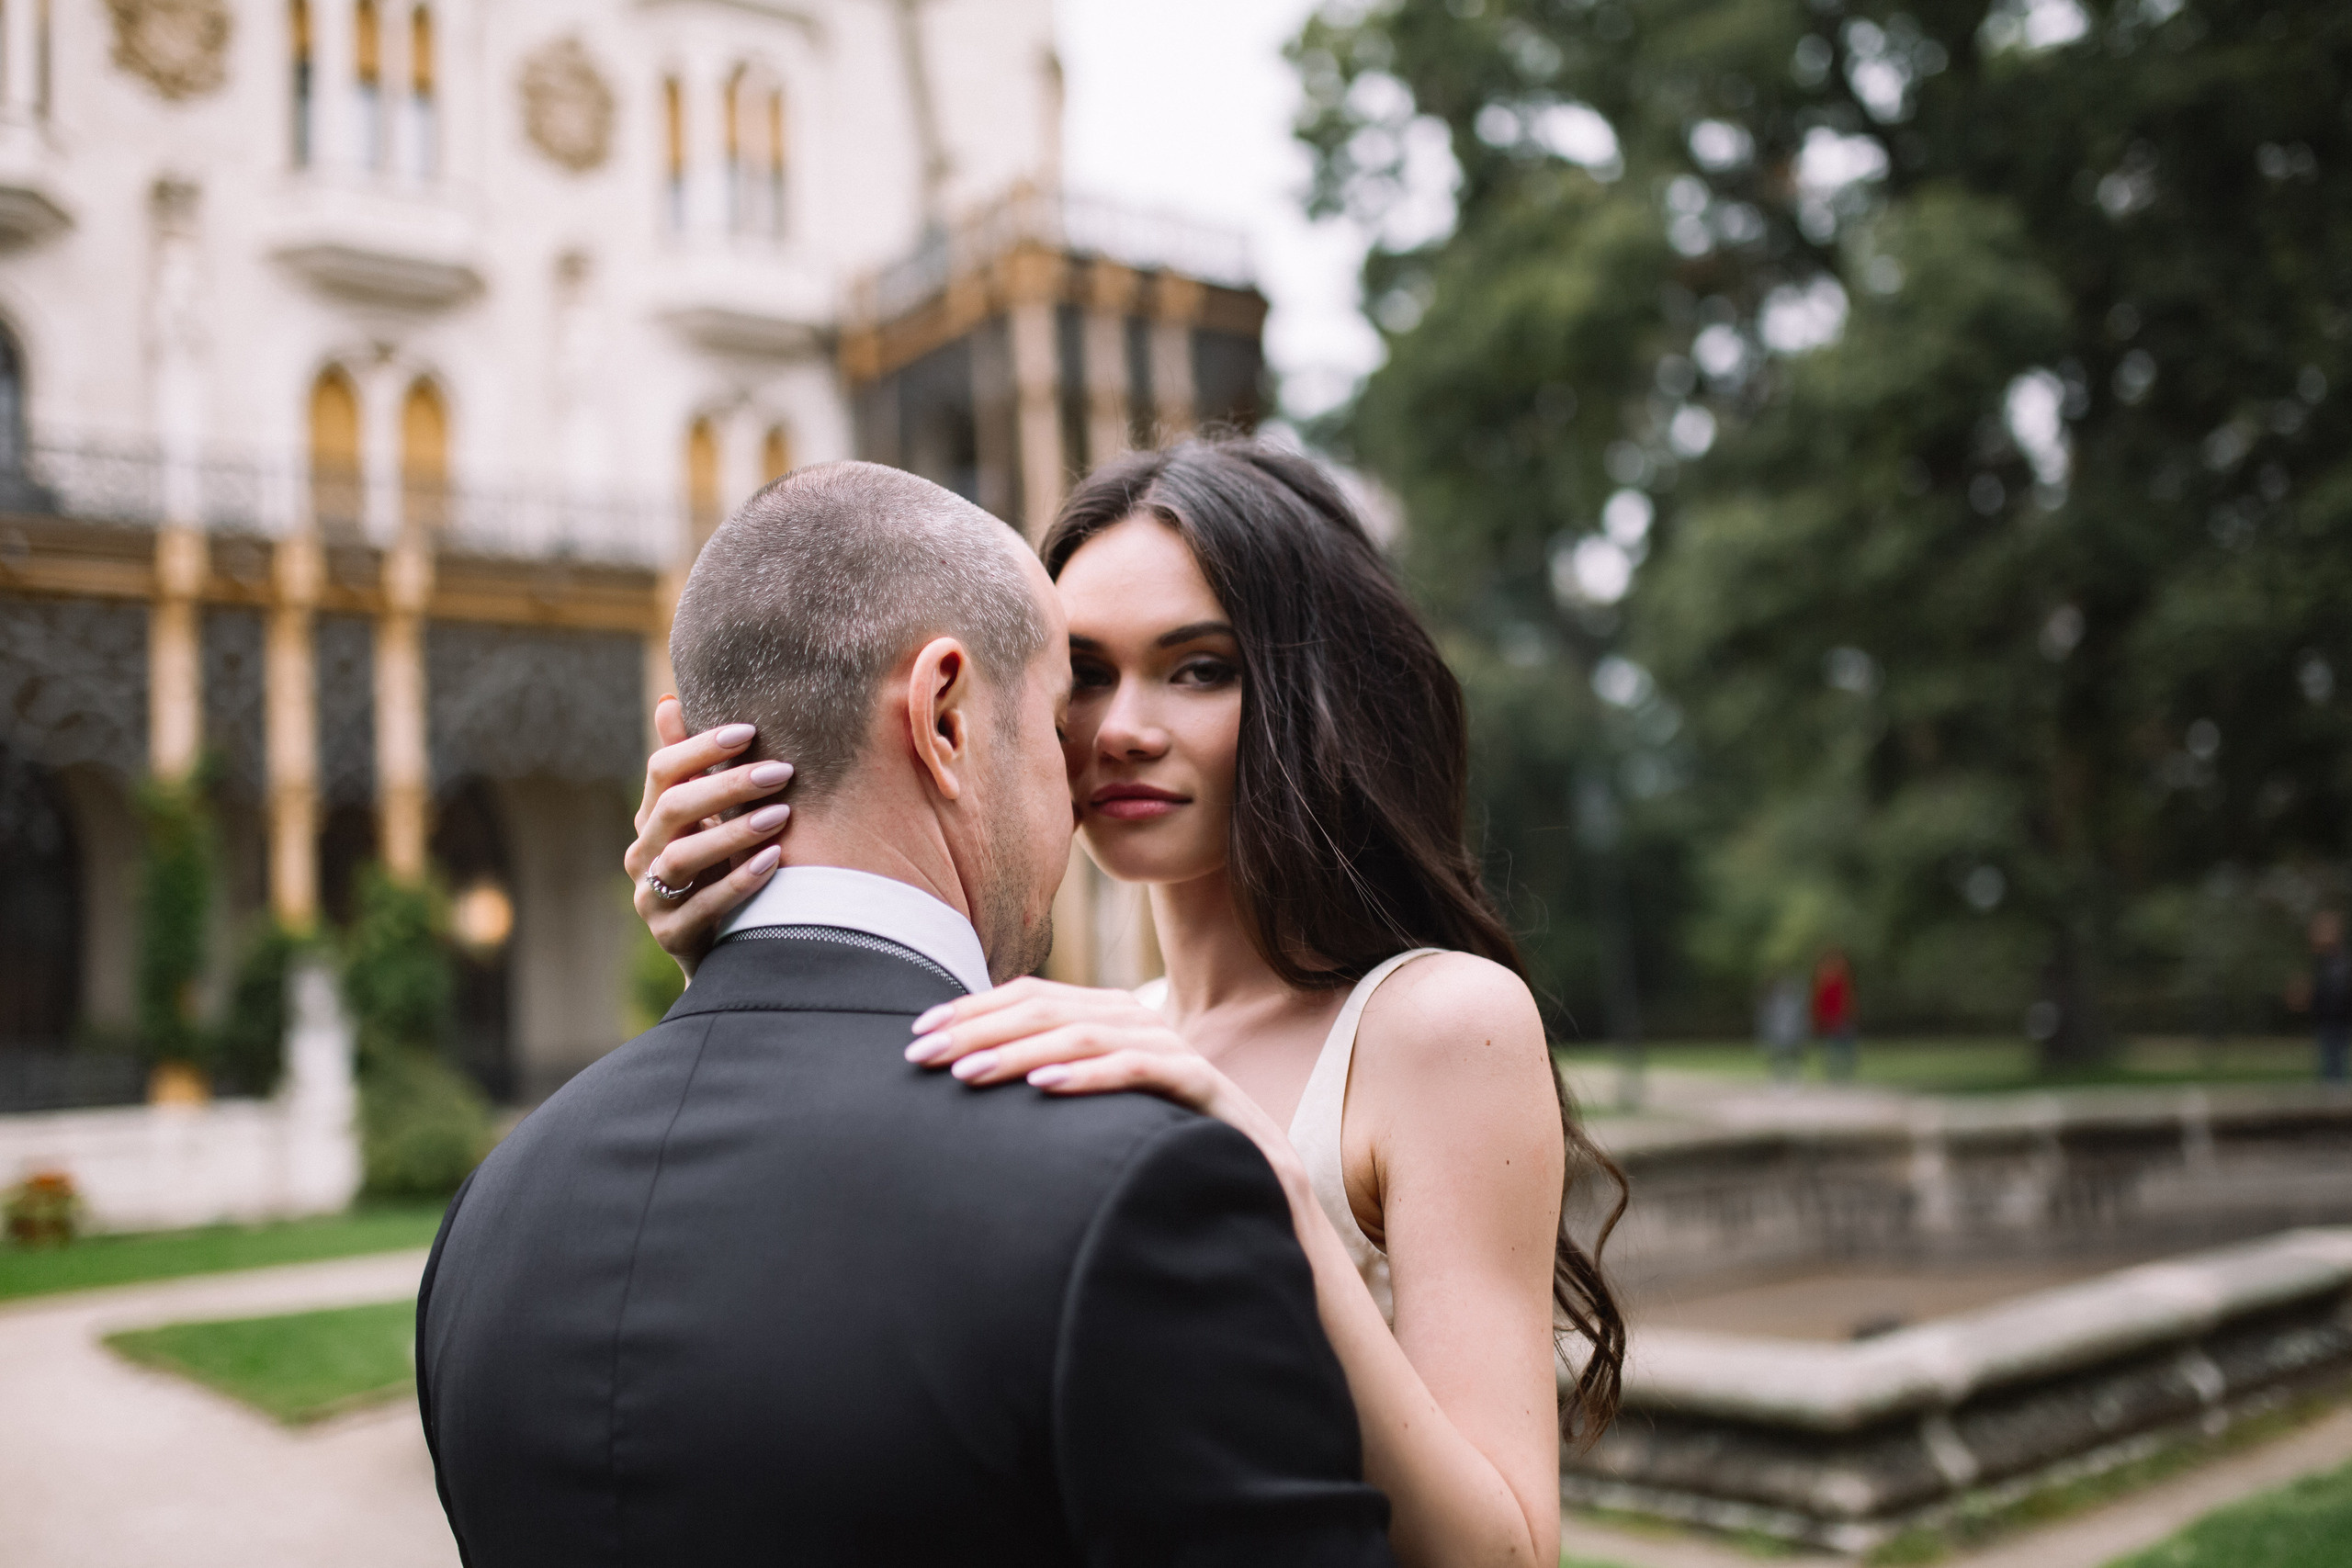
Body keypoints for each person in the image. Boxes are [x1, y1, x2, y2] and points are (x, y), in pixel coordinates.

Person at [629, 440, 1626, 1568]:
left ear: (1312, 689)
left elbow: (1511, 1552)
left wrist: (1265, 1187)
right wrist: (731, 945)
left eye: (1197, 668)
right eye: (1084, 674)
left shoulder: (1440, 1024)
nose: (1119, 731)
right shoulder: (1085, 1023)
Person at [417, 462, 1397, 1566]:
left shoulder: (495, 1212)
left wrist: (743, 983)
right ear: (944, 719)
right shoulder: (1139, 1184)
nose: (1083, 772)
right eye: (1056, 707)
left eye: (1198, 670)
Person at [2308, 910, 2350, 1086]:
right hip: (2329, 1022)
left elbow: (2337, 993)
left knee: (2334, 1075)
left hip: (2336, 1022)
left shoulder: (2338, 962)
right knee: (2331, 1071)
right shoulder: (2325, 961)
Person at [1811, 948, 1857, 1082]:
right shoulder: (1823, 978)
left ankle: (1844, 1072)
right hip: (1830, 1017)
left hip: (1842, 1016)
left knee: (1844, 1045)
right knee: (1833, 1045)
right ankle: (1835, 1073)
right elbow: (1819, 1000)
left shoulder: (1842, 978)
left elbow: (1848, 997)